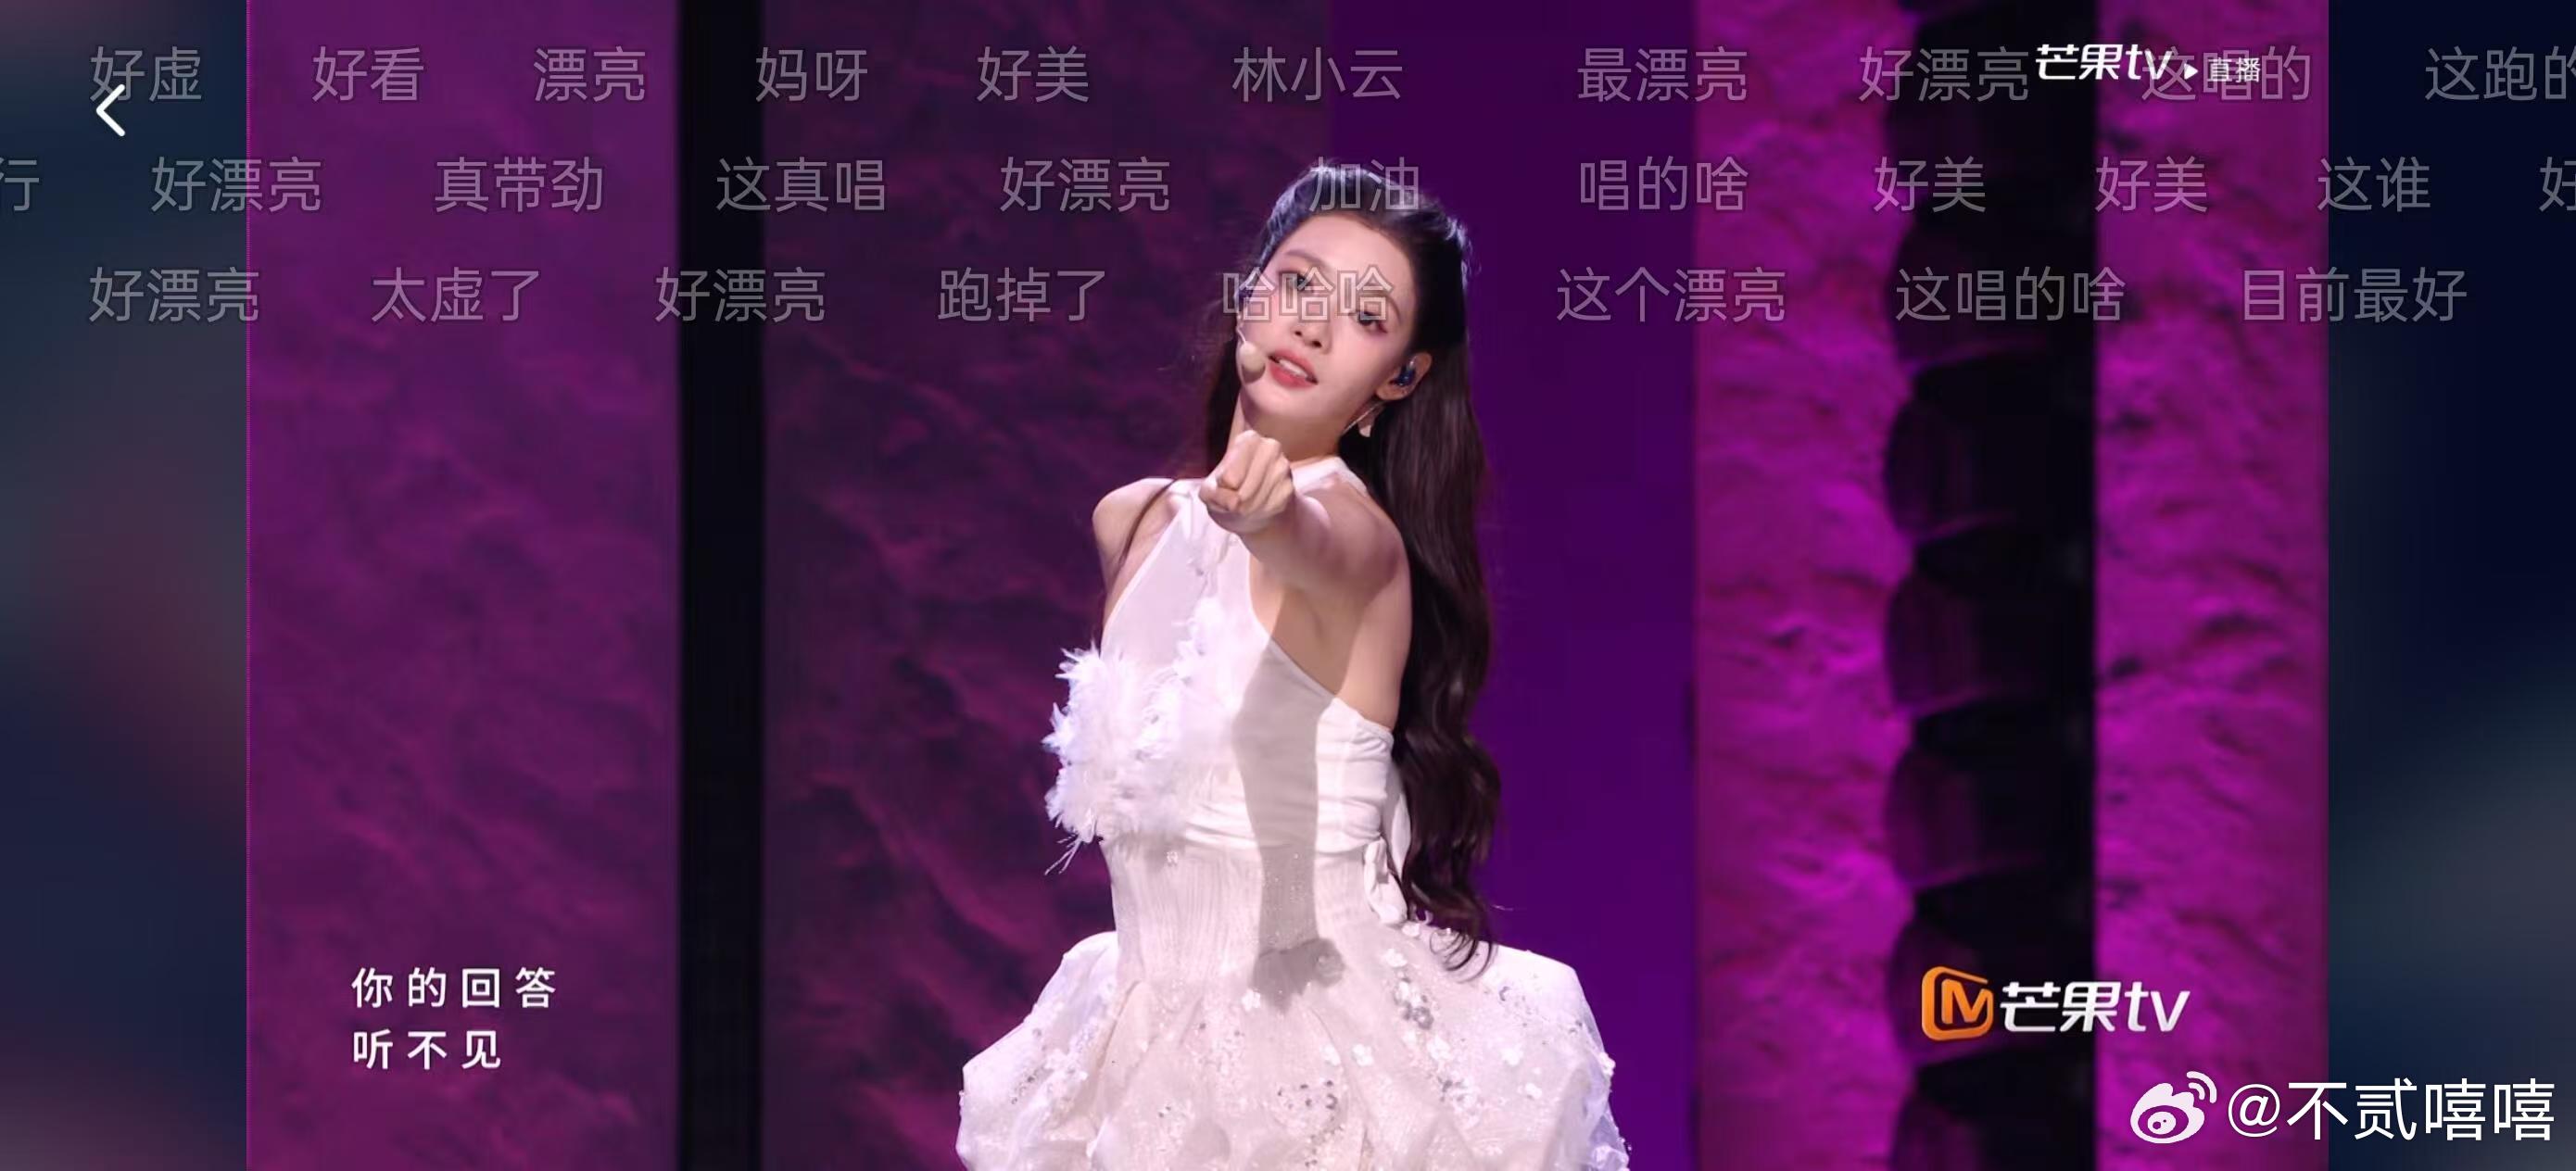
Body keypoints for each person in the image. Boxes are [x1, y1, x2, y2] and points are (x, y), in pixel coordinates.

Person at [957, 163, 1630, 1169]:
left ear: (1398, 378)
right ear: (1249, 295)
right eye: (1299, 283)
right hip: (1143, 1047)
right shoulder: (1132, 520)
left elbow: (1306, 541)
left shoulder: (1359, 543)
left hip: (1317, 1058)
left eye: (1366, 317)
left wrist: (1269, 516)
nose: (1313, 326)